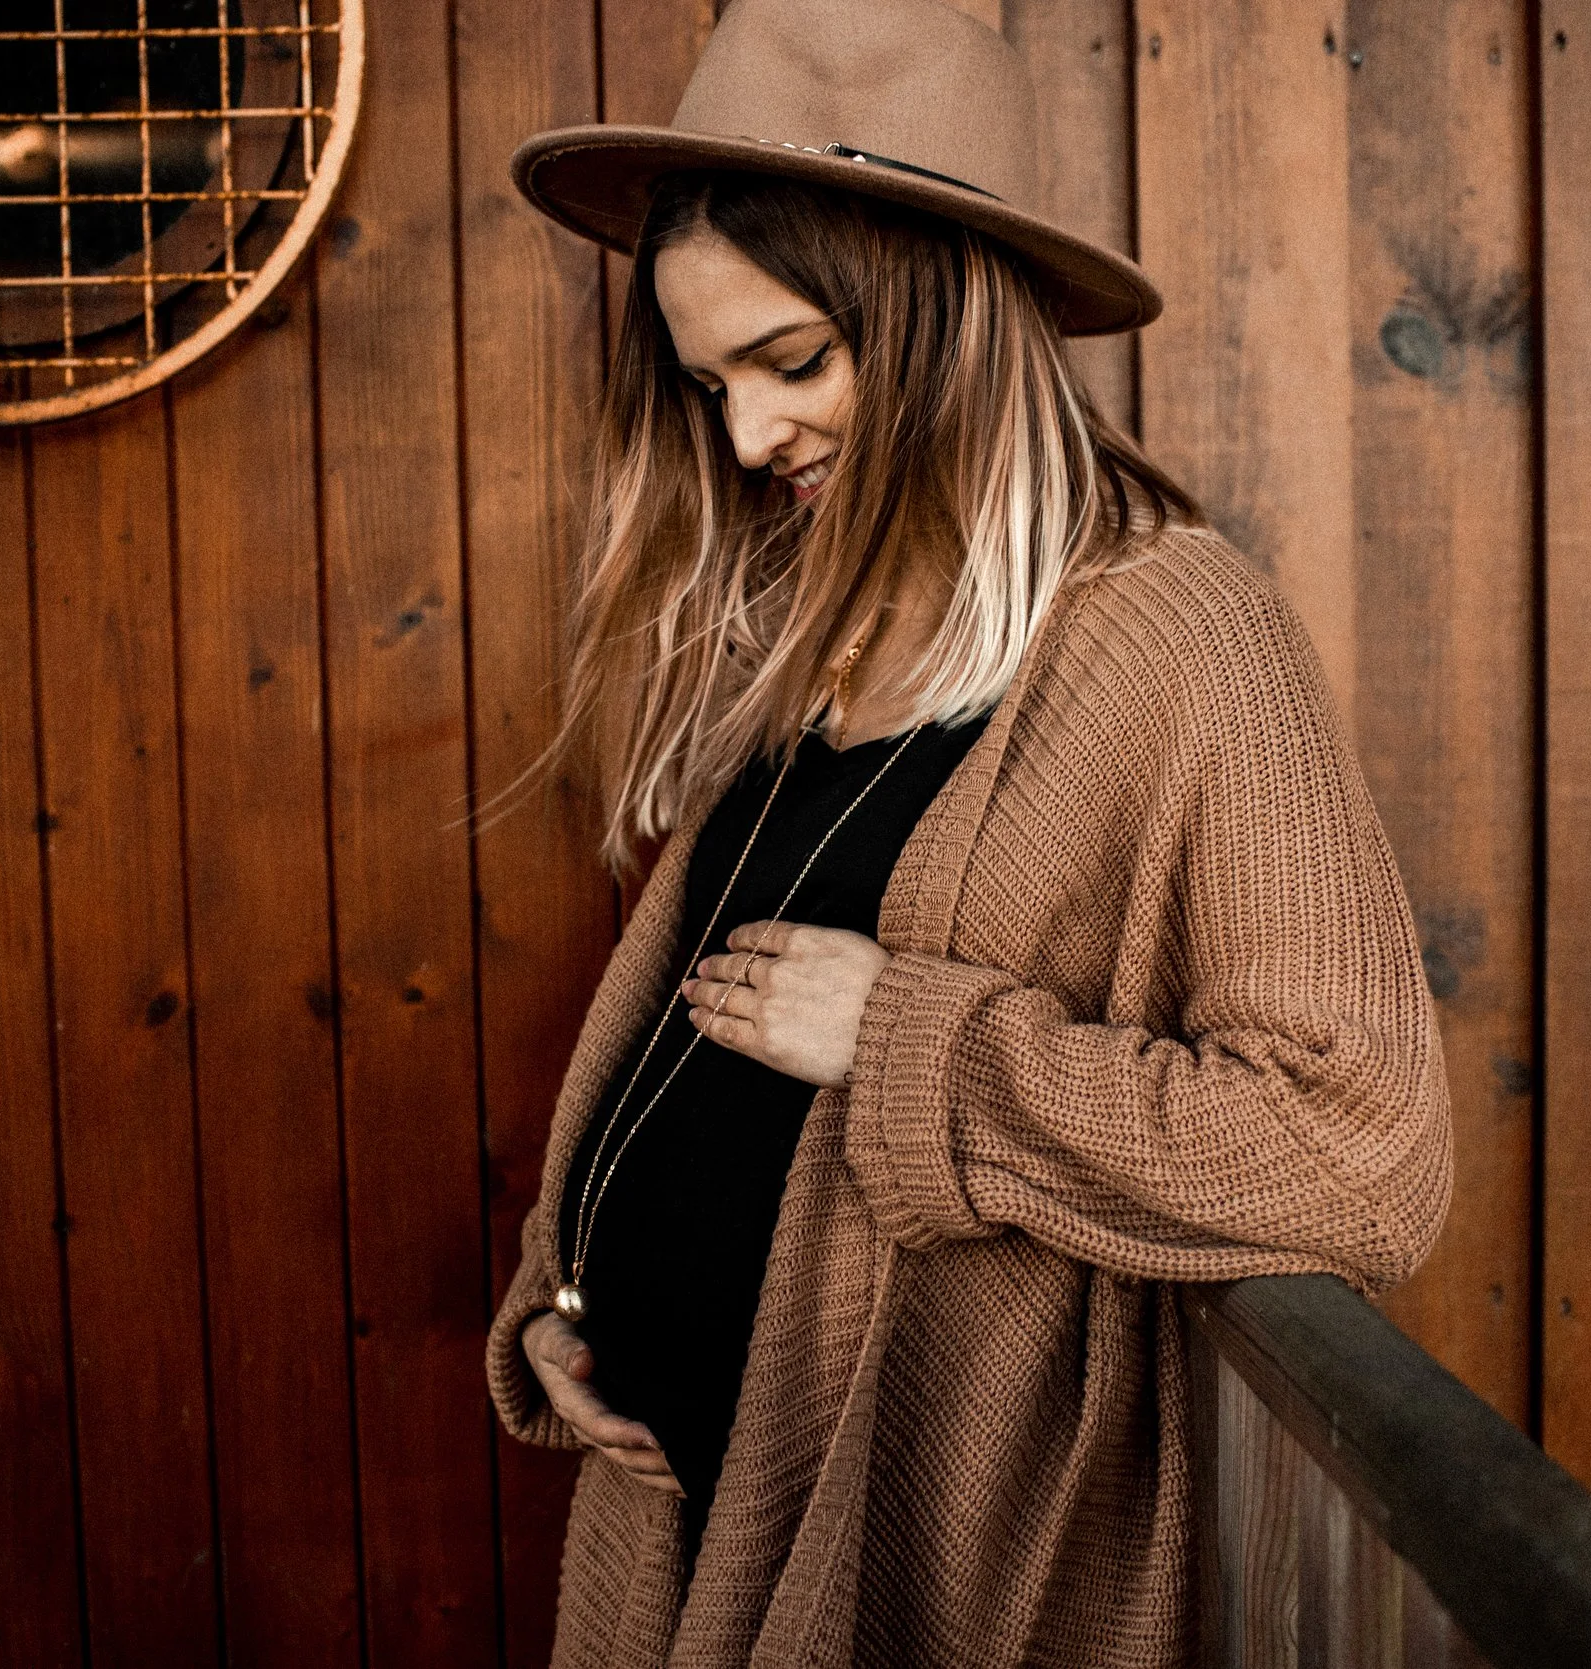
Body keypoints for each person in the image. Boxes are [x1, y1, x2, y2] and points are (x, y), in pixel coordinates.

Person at [486, 1, 1453, 1663]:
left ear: (944, 319)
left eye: (795, 363)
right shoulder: (807, 632)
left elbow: (1360, 1153)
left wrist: (910, 1043)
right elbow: (692, 1047)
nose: (748, 437)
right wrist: (564, 1300)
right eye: (710, 381)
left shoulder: (1170, 633)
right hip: (670, 1532)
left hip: (917, 1567)